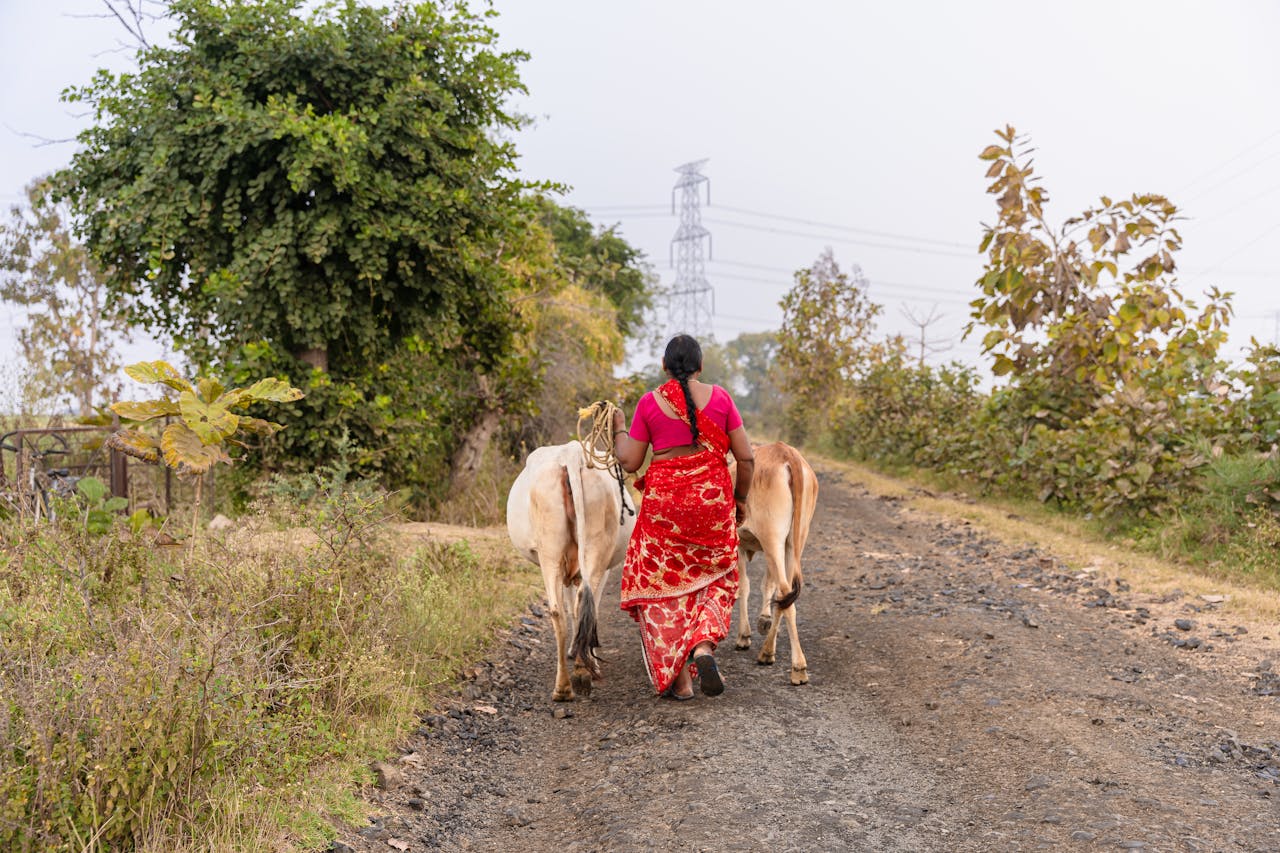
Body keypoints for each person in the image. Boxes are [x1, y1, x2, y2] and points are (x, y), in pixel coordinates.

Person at [612, 334, 755, 700]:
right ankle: (703, 646)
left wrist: (618, 428)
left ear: (663, 366)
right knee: (717, 578)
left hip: (664, 508)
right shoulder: (721, 398)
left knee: (662, 586)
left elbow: (629, 461)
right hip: (713, 505)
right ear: (701, 366)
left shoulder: (649, 403)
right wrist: (739, 500)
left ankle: (682, 681)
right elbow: (746, 458)